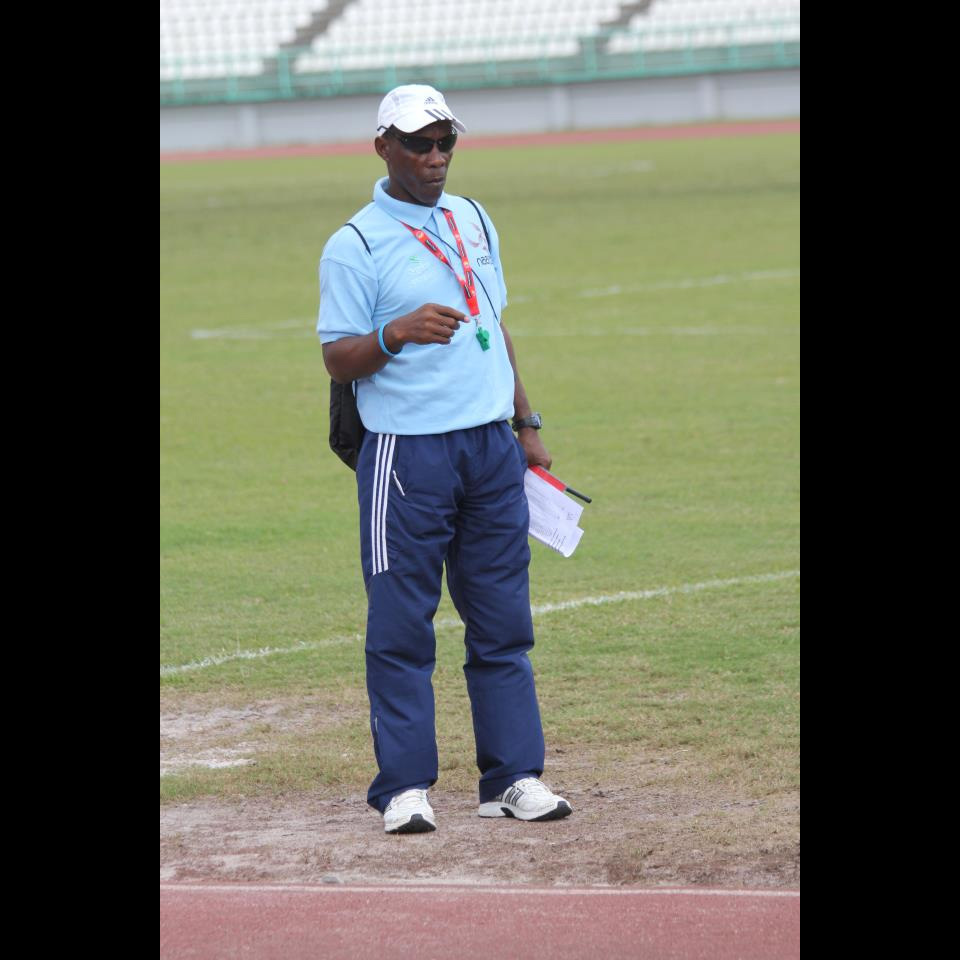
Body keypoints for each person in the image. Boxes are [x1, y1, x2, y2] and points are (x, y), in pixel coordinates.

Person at [317, 84, 572, 834]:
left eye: (445, 142)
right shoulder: (355, 243)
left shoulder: (473, 217)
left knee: (503, 622)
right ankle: (404, 788)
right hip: (407, 454)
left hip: (490, 447)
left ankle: (513, 778)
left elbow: (496, 323)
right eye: (418, 143)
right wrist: (394, 334)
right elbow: (338, 358)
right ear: (383, 147)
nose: (435, 157)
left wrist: (525, 423)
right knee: (402, 628)